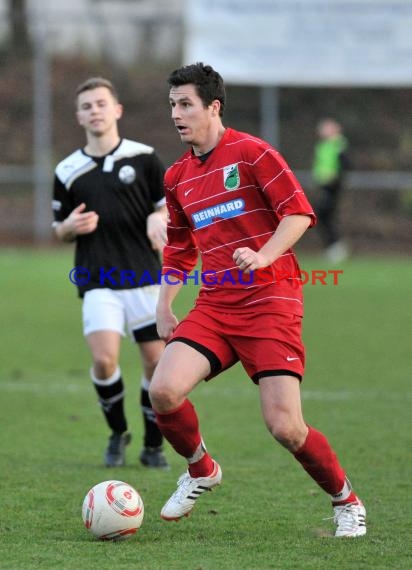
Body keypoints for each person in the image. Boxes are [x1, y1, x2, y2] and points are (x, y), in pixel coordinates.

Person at [148, 62, 366, 537]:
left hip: (271, 301)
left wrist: (265, 256)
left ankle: (345, 499)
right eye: (172, 105)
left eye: (186, 104)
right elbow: (181, 247)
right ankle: (201, 468)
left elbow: (299, 214)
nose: (176, 115)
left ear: (213, 107)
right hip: (215, 305)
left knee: (285, 426)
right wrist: (165, 305)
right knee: (162, 390)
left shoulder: (253, 153)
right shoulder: (177, 176)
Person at [52, 77, 169, 469]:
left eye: (101, 103)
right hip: (98, 278)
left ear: (116, 110)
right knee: (104, 360)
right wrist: (69, 227)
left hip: (144, 277)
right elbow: (58, 228)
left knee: (156, 364)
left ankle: (153, 445)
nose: (94, 111)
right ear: (78, 116)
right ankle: (117, 434)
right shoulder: (68, 171)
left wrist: (159, 218)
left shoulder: (146, 158)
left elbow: (168, 207)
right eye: (87, 106)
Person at [311, 118, 350, 263]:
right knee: (324, 216)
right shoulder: (324, 145)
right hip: (324, 186)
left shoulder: (339, 144)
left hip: (332, 186)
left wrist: (335, 180)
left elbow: (345, 165)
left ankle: (336, 248)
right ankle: (334, 247)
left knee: (324, 215)